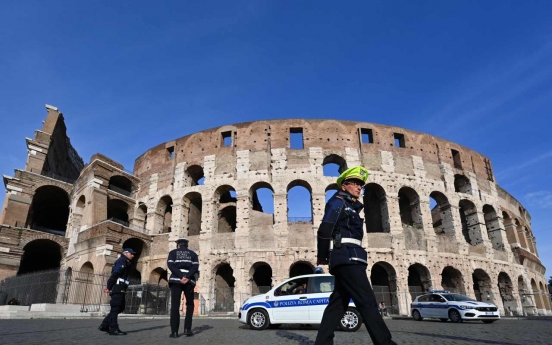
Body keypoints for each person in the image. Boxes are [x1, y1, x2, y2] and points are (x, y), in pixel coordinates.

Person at [315, 166, 397, 345]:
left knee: (337, 305)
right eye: (355, 184)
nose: (359, 187)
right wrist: (322, 258)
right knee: (367, 301)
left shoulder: (352, 206)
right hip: (347, 259)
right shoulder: (338, 202)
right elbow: (325, 229)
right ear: (344, 186)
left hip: (352, 258)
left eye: (361, 185)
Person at [98, 248, 136, 335]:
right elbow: (115, 274)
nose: (133, 255)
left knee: (120, 307)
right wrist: (109, 286)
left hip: (121, 287)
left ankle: (104, 325)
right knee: (115, 308)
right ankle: (114, 328)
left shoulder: (126, 262)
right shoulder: (121, 261)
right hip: (117, 287)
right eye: (131, 253)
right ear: (125, 253)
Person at [167, 238, 199, 338]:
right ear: (186, 245)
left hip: (176, 280)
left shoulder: (173, 252)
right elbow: (195, 267)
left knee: (175, 306)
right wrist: (187, 276)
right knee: (189, 304)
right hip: (189, 281)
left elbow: (171, 265)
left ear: (178, 245)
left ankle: (175, 332)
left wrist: (181, 276)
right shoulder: (193, 254)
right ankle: (187, 329)